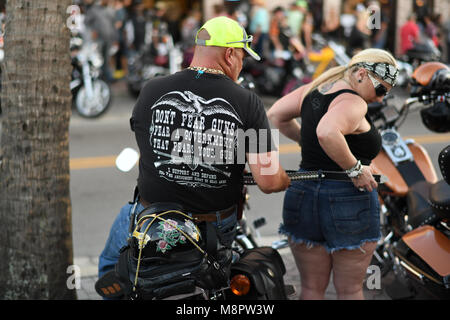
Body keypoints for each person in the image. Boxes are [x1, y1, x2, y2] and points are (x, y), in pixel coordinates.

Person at [98, 16, 290, 280]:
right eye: (243, 59)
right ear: (230, 54)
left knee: (110, 271)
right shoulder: (249, 102)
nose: (242, 67)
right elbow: (268, 180)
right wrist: (285, 179)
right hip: (211, 226)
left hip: (151, 218)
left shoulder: (152, 89)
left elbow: (147, 142)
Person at [267, 48, 398, 300]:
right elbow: (327, 132)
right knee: (349, 290)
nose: (381, 99)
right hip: (348, 198)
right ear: (361, 74)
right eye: (381, 90)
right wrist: (355, 168)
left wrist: (305, 144)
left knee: (311, 289)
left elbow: (277, 114)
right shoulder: (353, 101)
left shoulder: (317, 88)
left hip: (303, 193)